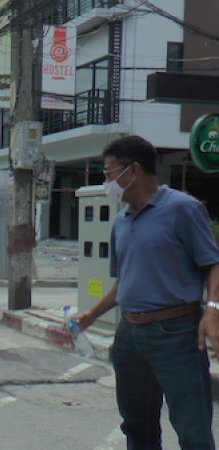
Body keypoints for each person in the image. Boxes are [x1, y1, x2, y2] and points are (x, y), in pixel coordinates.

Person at [75, 135, 219, 449]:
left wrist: (212, 310)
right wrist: (90, 315)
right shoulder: (121, 221)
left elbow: (213, 263)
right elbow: (124, 282)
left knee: (192, 429)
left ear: (133, 171)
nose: (107, 181)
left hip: (176, 332)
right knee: (136, 425)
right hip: (130, 334)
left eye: (110, 173)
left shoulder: (183, 208)